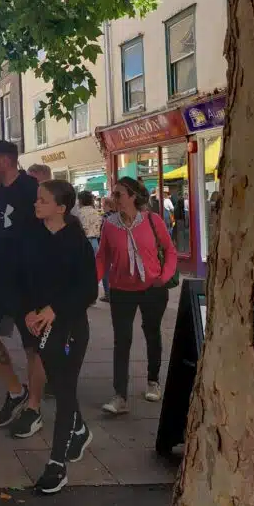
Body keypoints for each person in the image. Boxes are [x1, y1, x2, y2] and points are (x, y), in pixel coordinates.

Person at [21, 179, 98, 494]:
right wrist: (29, 311)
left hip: (71, 328)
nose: (36, 204)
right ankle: (79, 431)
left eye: (43, 200)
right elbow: (25, 281)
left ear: (61, 208)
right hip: (41, 327)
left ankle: (57, 464)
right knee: (60, 386)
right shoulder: (33, 237)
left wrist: (56, 309)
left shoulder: (77, 242)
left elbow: (89, 290)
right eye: (37, 199)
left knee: (65, 391)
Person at [0, 140, 47, 438]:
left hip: (27, 281)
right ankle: (16, 391)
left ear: (5, 160)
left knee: (33, 347)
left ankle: (33, 407)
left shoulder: (32, 190)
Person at [96, 176, 177, 414]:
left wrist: (164, 276)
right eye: (113, 194)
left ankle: (153, 381)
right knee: (122, 340)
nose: (114, 198)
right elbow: (102, 257)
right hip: (121, 290)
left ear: (132, 196)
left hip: (153, 288)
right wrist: (90, 284)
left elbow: (170, 251)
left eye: (119, 194)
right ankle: (119, 396)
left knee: (152, 333)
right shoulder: (109, 225)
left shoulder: (152, 220)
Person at [99, 197, 115, 302]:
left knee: (106, 271)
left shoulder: (105, 217)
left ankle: (108, 294)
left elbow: (102, 232)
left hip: (107, 246)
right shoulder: (118, 215)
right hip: (117, 246)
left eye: (103, 205)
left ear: (108, 205)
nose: (102, 207)